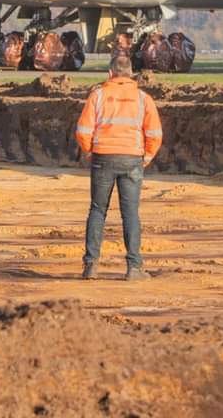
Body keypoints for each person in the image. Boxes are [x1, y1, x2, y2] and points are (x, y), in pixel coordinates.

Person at [75, 54, 163, 281]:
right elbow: (154, 133)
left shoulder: (98, 96)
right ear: (131, 73)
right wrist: (147, 156)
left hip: (103, 157)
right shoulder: (143, 98)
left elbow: (83, 131)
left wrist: (88, 150)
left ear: (110, 73)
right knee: (130, 212)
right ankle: (134, 267)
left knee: (97, 210)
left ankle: (91, 265)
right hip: (132, 158)